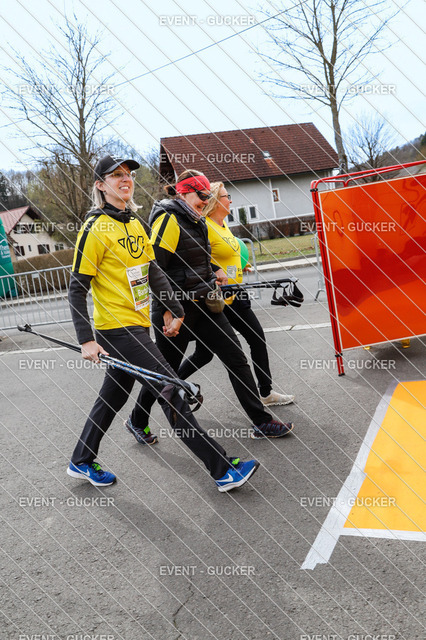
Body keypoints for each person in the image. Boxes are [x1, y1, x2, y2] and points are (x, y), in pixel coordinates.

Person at [67, 155, 259, 492]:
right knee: (171, 390)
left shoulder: (134, 223)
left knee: (113, 396)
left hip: (139, 324)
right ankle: (222, 468)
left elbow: (153, 270)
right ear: (100, 185)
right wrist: (86, 339)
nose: (125, 179)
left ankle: (81, 460)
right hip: (117, 329)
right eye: (116, 175)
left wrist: (175, 308)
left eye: (128, 174)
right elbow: (77, 287)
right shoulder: (94, 229)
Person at [134, 169, 294, 440]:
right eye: (201, 194)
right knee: (165, 373)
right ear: (184, 193)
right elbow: (154, 268)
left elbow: (194, 257)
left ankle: (261, 422)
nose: (206, 200)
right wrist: (169, 310)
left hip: (205, 304)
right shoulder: (169, 219)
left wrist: (215, 269)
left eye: (209, 195)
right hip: (178, 310)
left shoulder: (195, 219)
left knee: (236, 359)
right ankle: (137, 419)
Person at [178, 181, 294, 407]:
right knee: (205, 354)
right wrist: (215, 273)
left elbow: (228, 255)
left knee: (256, 338)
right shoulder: (205, 226)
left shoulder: (223, 225)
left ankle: (266, 392)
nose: (230, 200)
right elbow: (198, 260)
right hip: (218, 300)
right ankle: (168, 385)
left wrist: (241, 267)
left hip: (236, 294)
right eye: (226, 196)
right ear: (215, 201)